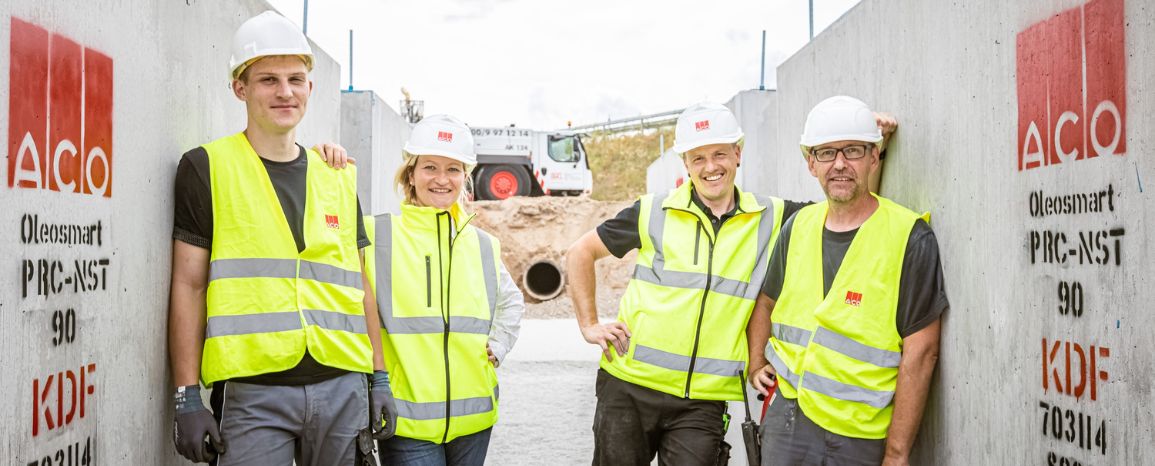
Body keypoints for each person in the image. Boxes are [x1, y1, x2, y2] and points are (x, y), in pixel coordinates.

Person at [566, 102, 893, 465]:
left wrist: (872, 142)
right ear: (685, 164)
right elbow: (581, 253)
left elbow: (848, 207)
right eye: (698, 158)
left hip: (702, 403)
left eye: (720, 154)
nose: (710, 167)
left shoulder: (771, 217)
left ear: (738, 154)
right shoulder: (652, 211)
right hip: (628, 388)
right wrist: (589, 324)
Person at [167, 11, 395, 465]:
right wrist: (186, 396)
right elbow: (188, 285)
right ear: (240, 88)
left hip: (342, 386)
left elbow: (359, 284)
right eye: (268, 79)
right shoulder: (206, 167)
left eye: (296, 79)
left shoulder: (337, 175)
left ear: (311, 87)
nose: (285, 92)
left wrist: (378, 376)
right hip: (253, 393)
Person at [748, 96, 947, 466]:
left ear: (874, 157)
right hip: (786, 420)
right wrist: (756, 362)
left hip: (856, 435)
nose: (839, 164)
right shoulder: (798, 227)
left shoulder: (909, 236)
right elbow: (766, 301)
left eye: (853, 150)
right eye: (826, 153)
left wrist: (897, 453)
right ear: (811, 163)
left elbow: (922, 352)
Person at [363, 114, 524, 466]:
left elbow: (512, 303)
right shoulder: (376, 235)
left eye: (453, 169)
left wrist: (497, 346)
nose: (441, 179)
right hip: (407, 421)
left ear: (465, 178)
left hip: (474, 419)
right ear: (411, 173)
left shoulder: (482, 245)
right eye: (430, 167)